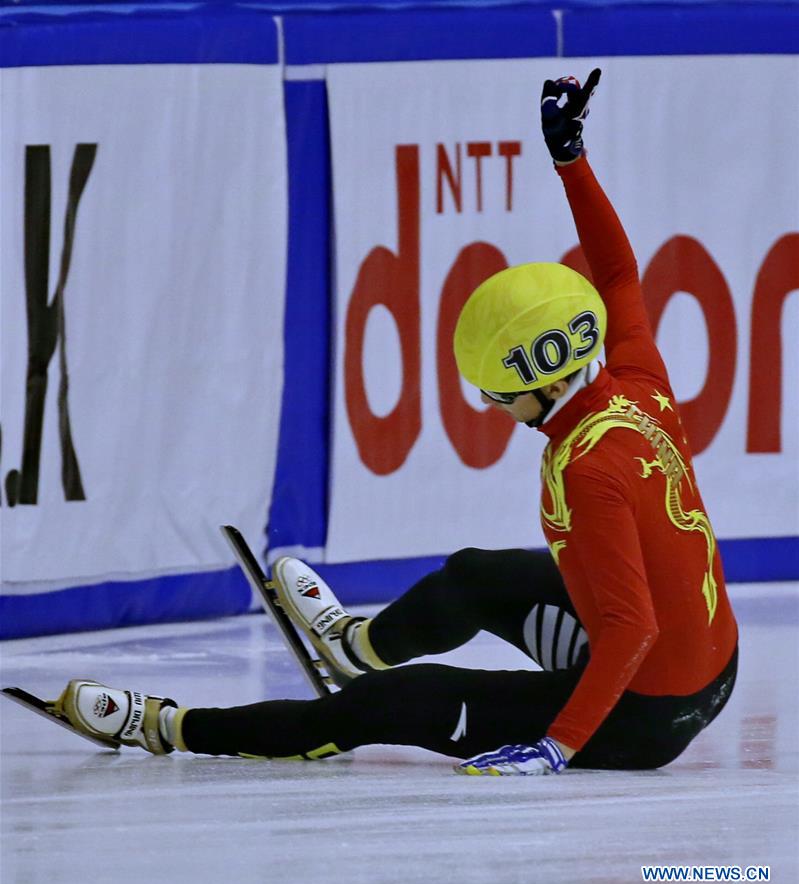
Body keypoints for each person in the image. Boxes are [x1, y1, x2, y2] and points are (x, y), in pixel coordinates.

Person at [50, 69, 738, 775]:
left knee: (389, 705)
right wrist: (571, 159)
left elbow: (631, 628)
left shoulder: (588, 469)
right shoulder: (636, 379)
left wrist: (553, 747)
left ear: (548, 382)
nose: (493, 408)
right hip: (709, 665)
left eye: (500, 395)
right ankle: (353, 648)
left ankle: (168, 727)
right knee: (474, 577)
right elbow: (617, 274)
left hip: (644, 713)